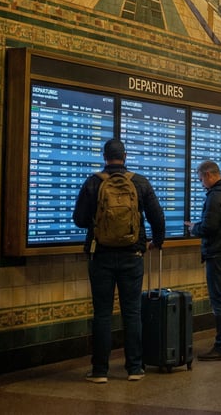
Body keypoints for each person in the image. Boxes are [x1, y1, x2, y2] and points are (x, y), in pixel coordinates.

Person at [72, 138, 166, 383]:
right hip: (132, 255)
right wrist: (157, 241)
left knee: (102, 313)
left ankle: (100, 370)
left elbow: (79, 220)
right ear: (125, 156)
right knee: (132, 312)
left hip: (100, 256)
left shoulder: (93, 183)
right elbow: (158, 216)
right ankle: (135, 368)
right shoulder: (140, 182)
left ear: (105, 157)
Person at [184, 161, 221, 360]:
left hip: (219, 254)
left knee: (220, 302)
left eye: (201, 179)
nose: (201, 184)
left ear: (209, 175)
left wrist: (194, 228)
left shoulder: (216, 196)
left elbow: (210, 227)